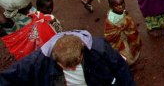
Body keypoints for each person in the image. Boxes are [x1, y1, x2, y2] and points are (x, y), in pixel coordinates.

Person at [0, 31, 136, 85]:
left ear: (82, 53)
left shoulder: (99, 48)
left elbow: (121, 69)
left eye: (76, 63)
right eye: (66, 66)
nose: (72, 68)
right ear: (55, 58)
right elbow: (8, 78)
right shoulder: (37, 61)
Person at [104, 0, 142, 66]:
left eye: (122, 3)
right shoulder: (112, 19)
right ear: (111, 7)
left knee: (131, 45)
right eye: (117, 6)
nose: (120, 7)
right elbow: (111, 32)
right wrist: (124, 26)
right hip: (120, 38)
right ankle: (129, 63)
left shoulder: (121, 11)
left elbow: (124, 16)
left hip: (126, 33)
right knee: (125, 51)